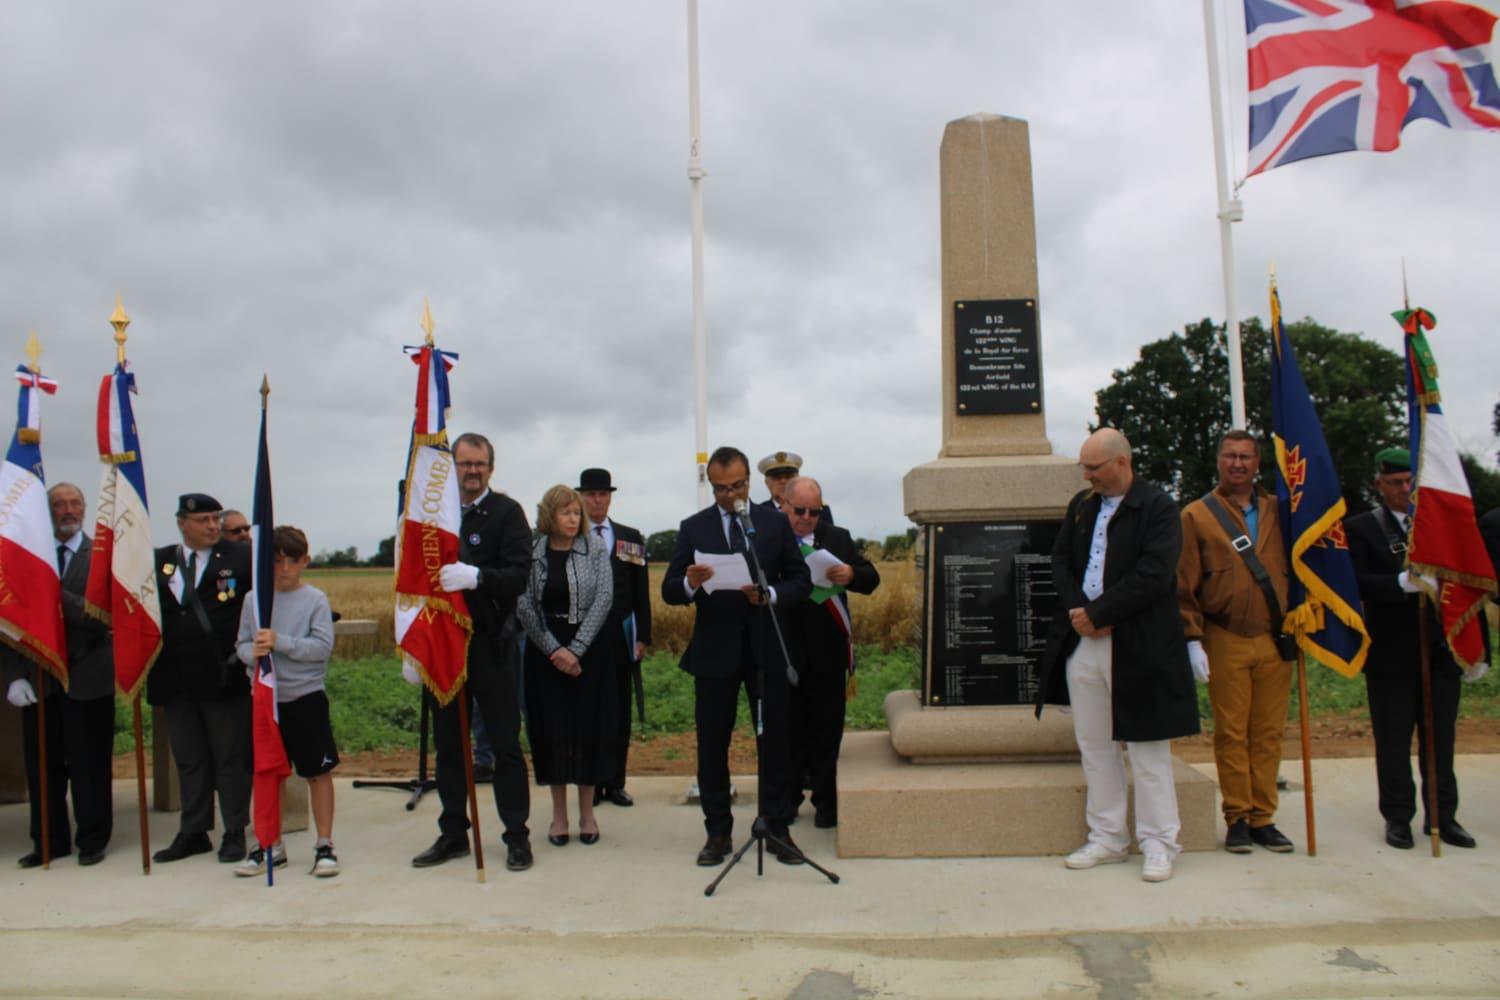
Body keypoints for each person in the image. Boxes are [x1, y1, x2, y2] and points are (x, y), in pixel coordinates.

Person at [1035, 429, 1200, 883]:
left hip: (1138, 642)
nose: (1088, 476)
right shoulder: (1083, 506)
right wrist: (1080, 613)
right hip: (1085, 641)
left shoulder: (1160, 508)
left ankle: (1159, 841)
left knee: (1147, 748)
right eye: (1084, 469)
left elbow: (1153, 573)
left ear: (1122, 463)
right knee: (1094, 745)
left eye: (1095, 468)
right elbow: (1061, 560)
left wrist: (1102, 612)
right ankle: (1107, 836)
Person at [662, 446, 812, 866]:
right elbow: (670, 589)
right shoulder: (694, 528)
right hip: (715, 652)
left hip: (766, 649)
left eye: (738, 486)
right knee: (713, 744)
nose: (730, 495)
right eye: (721, 488)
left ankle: (777, 828)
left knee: (775, 743)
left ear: (749, 481)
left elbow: (799, 580)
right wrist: (689, 582)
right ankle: (718, 832)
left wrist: (772, 594)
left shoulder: (772, 524)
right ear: (711, 486)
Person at [409, 432, 535, 872]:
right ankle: (452, 833)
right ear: (452, 467)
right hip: (442, 646)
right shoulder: (431, 516)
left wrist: (477, 577)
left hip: (490, 643)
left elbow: (520, 575)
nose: (472, 471)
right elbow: (412, 576)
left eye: (480, 464)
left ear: (491, 468)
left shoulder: (506, 513)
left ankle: (516, 834)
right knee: (448, 746)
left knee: (503, 745)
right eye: (464, 464)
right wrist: (412, 642)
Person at [1347, 447, 1476, 850]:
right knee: (1393, 739)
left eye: (1409, 482)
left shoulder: (1442, 527)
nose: (1405, 490)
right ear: (1379, 485)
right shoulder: (1363, 528)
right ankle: (1398, 816)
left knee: (1440, 738)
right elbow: (1354, 583)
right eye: (1396, 483)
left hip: (1439, 651)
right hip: (1391, 652)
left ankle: (1443, 816)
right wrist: (1396, 584)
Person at [1177, 430, 1296, 854]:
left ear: (1258, 463)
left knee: (1267, 732)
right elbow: (1184, 585)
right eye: (1230, 456)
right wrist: (1192, 640)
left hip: (1274, 637)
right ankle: (1238, 817)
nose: (1238, 464)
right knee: (1231, 732)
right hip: (1224, 634)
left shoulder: (1281, 512)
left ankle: (1264, 816)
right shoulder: (1196, 515)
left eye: (1246, 457)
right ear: (1218, 461)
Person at [3, 483, 115, 867]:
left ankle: (93, 839)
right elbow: (12, 622)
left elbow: (99, 615)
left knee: (89, 765)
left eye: (73, 503)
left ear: (84, 508)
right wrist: (14, 676)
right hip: (39, 675)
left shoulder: (100, 556)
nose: (66, 510)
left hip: (88, 673)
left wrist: (50, 591)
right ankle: (49, 841)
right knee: (43, 765)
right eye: (57, 504)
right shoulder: (30, 556)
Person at [148, 494, 254, 864]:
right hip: (175, 678)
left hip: (222, 675)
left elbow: (264, 604)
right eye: (203, 520)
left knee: (230, 758)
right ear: (182, 523)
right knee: (190, 759)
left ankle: (234, 830)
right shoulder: (161, 560)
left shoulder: (240, 558)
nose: (212, 526)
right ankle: (193, 831)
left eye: (215, 519)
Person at [233, 526, 339, 877]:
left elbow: (321, 648)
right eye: (277, 561)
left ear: (305, 561)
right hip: (266, 701)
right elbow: (242, 646)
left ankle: (324, 844)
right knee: (267, 774)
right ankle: (269, 844)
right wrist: (255, 652)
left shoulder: (315, 600)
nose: (285, 569)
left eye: (293, 561)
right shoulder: (254, 600)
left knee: (317, 772)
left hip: (304, 698)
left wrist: (281, 642)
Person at [516, 485, 615, 846]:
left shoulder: (595, 548)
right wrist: (554, 650)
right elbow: (524, 604)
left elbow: (604, 598)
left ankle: (588, 814)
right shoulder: (533, 551)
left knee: (587, 730)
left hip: (588, 650)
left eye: (577, 512)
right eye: (566, 513)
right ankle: (559, 816)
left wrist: (575, 650)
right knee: (551, 732)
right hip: (545, 653)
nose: (574, 519)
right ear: (550, 516)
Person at [779, 476, 879, 829]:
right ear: (784, 506)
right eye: (799, 511)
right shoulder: (769, 538)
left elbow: (871, 577)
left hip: (827, 653)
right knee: (787, 732)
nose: (807, 518)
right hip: (785, 652)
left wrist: (851, 574)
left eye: (814, 511)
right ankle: (786, 800)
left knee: (826, 732)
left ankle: (826, 801)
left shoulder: (837, 538)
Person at [578, 467, 652, 809]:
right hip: (582, 641)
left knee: (619, 715)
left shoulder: (629, 537)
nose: (597, 499)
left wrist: (643, 637)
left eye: (603, 494)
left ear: (610, 497)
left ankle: (616, 783)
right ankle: (590, 784)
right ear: (581, 497)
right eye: (591, 494)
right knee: (588, 715)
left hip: (621, 639)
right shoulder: (570, 535)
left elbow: (640, 593)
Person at [756, 451, 834, 524]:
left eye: (788, 477)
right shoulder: (757, 514)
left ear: (798, 479)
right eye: (777, 477)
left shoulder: (817, 510)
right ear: (766, 482)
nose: (783, 481)